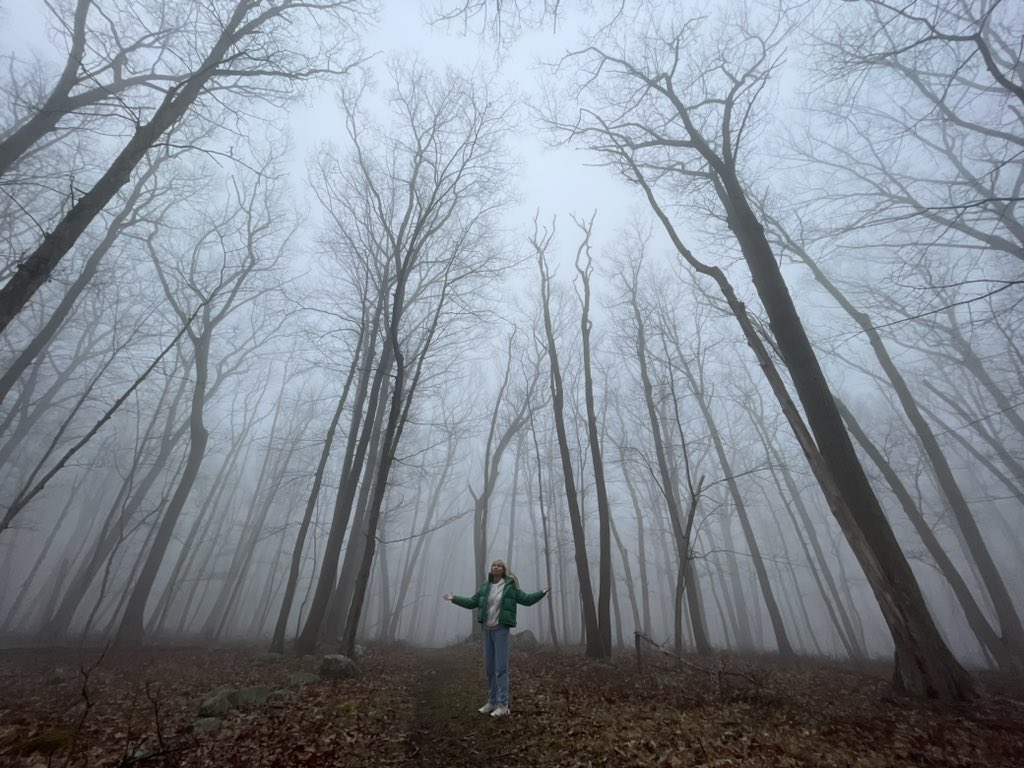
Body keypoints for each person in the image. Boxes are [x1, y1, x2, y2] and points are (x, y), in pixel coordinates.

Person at [443, 559, 549, 718]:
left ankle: (503, 705)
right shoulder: (485, 587)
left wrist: (541, 593)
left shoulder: (510, 587)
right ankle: (492, 702)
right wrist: (454, 598)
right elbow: (472, 602)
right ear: (491, 569)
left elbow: (526, 599)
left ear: (504, 569)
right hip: (487, 630)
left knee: (501, 668)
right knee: (490, 668)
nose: (496, 567)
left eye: (499, 565)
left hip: (501, 630)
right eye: (494, 565)